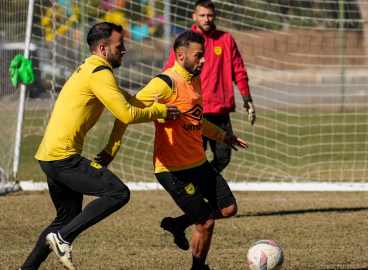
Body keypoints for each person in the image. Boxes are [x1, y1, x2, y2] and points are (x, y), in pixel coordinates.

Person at [19, 22, 180, 270]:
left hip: (50, 155)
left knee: (66, 219)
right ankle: (63, 239)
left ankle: (27, 268)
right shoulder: (99, 73)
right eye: (120, 46)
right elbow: (126, 114)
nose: (124, 50)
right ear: (103, 48)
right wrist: (159, 111)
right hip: (62, 158)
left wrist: (151, 109)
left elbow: (127, 99)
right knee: (118, 193)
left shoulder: (93, 68)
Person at [100, 30, 248, 270]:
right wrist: (112, 148)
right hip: (172, 169)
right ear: (181, 55)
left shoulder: (195, 79)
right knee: (206, 222)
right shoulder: (165, 82)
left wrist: (224, 136)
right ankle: (198, 267)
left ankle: (178, 225)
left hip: (198, 162)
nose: (204, 61)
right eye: (198, 56)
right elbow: (126, 112)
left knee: (229, 208)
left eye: (204, 55)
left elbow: (197, 120)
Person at [163, 0, 255, 174]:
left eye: (209, 15)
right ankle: (198, 193)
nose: (206, 19)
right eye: (202, 15)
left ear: (215, 16)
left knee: (223, 157)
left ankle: (202, 186)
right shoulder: (185, 41)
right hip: (193, 111)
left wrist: (247, 98)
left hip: (220, 111)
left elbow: (239, 71)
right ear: (194, 16)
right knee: (194, 158)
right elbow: (170, 70)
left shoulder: (226, 39)